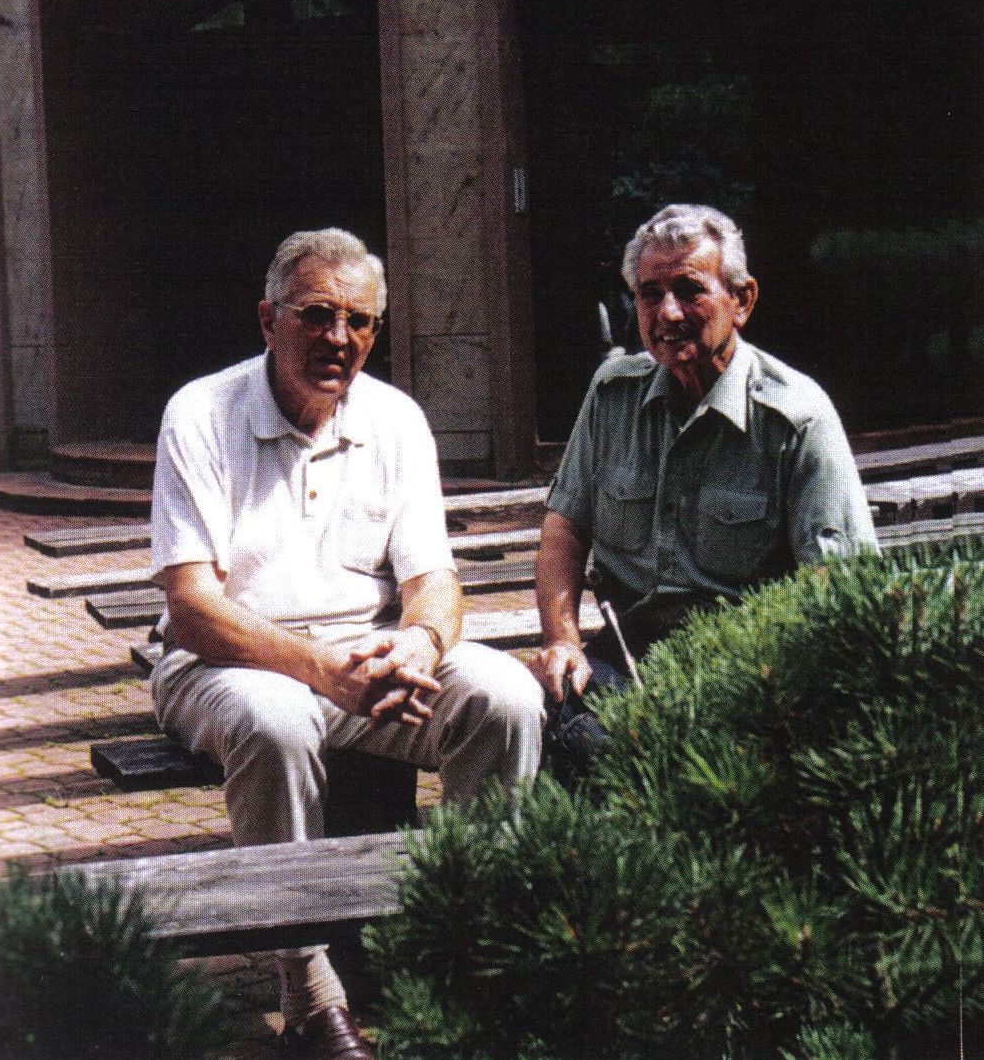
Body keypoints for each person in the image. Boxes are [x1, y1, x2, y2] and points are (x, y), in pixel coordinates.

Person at [149, 228, 543, 1059]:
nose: (339, 338)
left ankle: (464, 946)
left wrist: (419, 643)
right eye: (316, 315)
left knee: (505, 697)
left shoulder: (396, 419)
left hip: (363, 658)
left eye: (359, 321)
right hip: (227, 660)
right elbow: (192, 610)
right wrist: (322, 671)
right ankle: (308, 990)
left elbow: (434, 579)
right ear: (268, 319)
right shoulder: (201, 412)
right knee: (275, 721)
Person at [533, 203, 877, 779]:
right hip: (626, 658)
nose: (667, 312)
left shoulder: (797, 418)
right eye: (649, 294)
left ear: (742, 301)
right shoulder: (613, 395)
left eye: (690, 290)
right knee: (563, 733)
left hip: (751, 669)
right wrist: (563, 641)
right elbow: (564, 530)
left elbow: (836, 590)